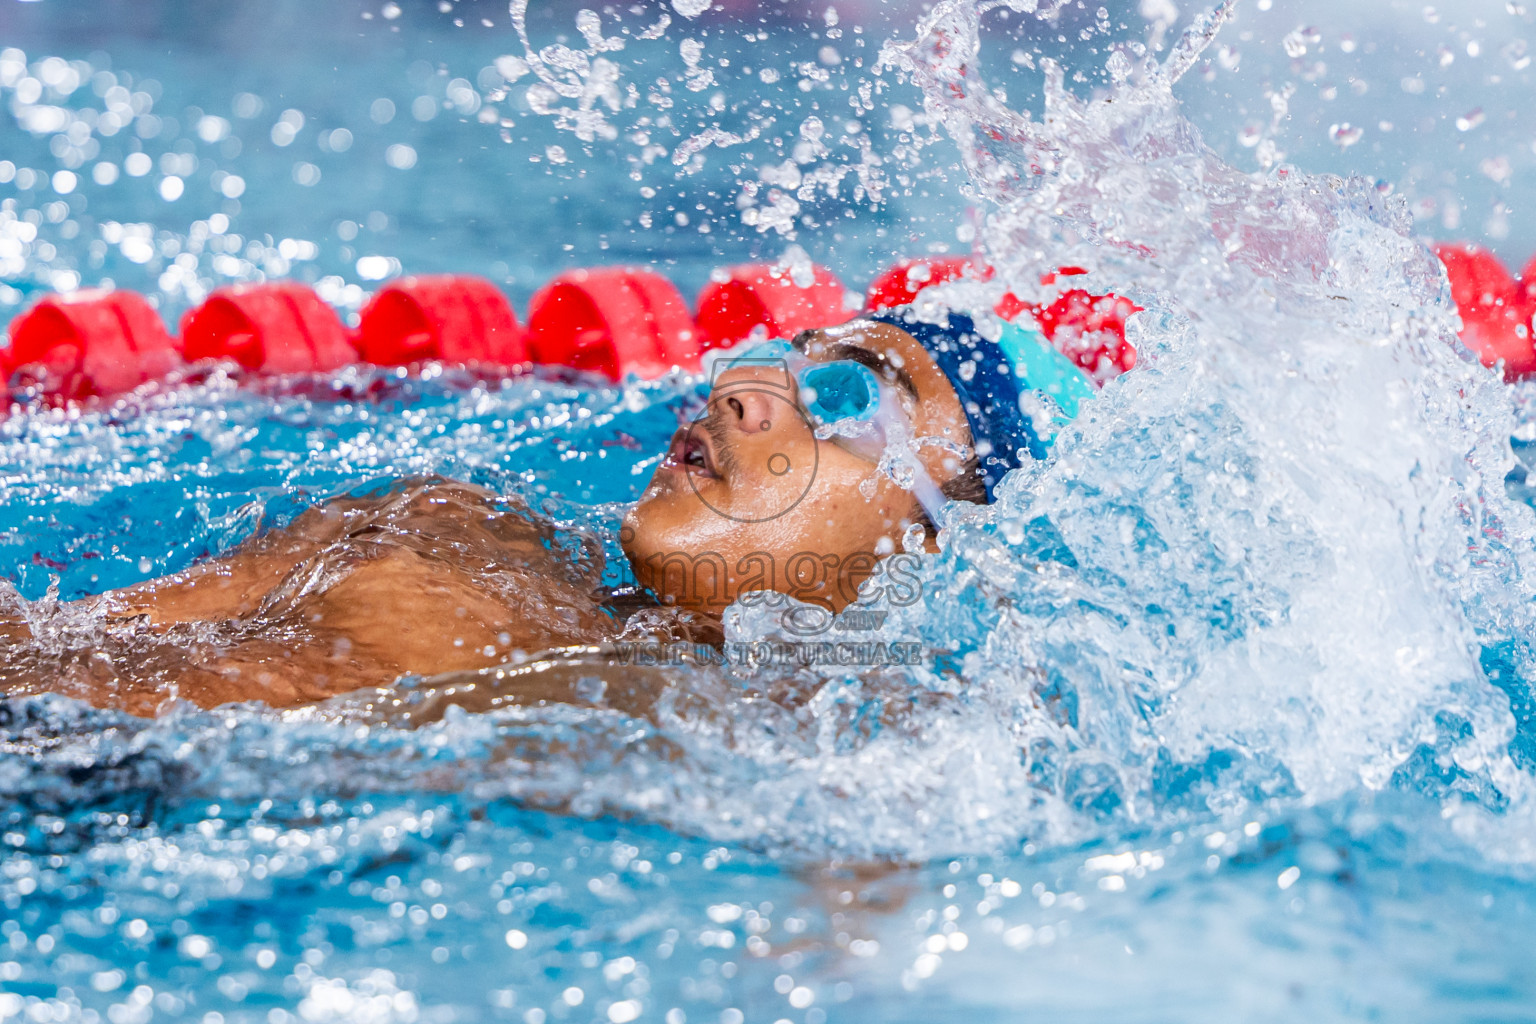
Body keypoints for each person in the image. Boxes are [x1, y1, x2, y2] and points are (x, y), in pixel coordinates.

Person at [0, 309, 1095, 717]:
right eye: (782, 360)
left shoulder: (774, 736)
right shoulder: (441, 519)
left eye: (850, 399)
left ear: (928, 547)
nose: (746, 393)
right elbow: (48, 645)